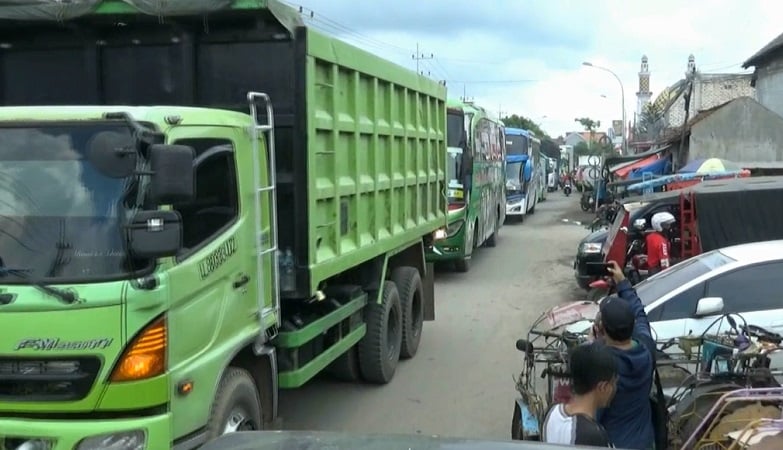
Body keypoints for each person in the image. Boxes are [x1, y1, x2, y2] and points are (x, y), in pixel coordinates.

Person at [592, 261, 657, 450]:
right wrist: (622, 283)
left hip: (612, 443)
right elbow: (640, 313)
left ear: (602, 329)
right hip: (645, 442)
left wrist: (594, 342)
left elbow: (593, 414)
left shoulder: (601, 364)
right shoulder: (646, 347)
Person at [542, 342, 618, 447]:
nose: (614, 388)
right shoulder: (593, 435)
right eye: (613, 383)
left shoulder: (551, 412)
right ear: (603, 387)